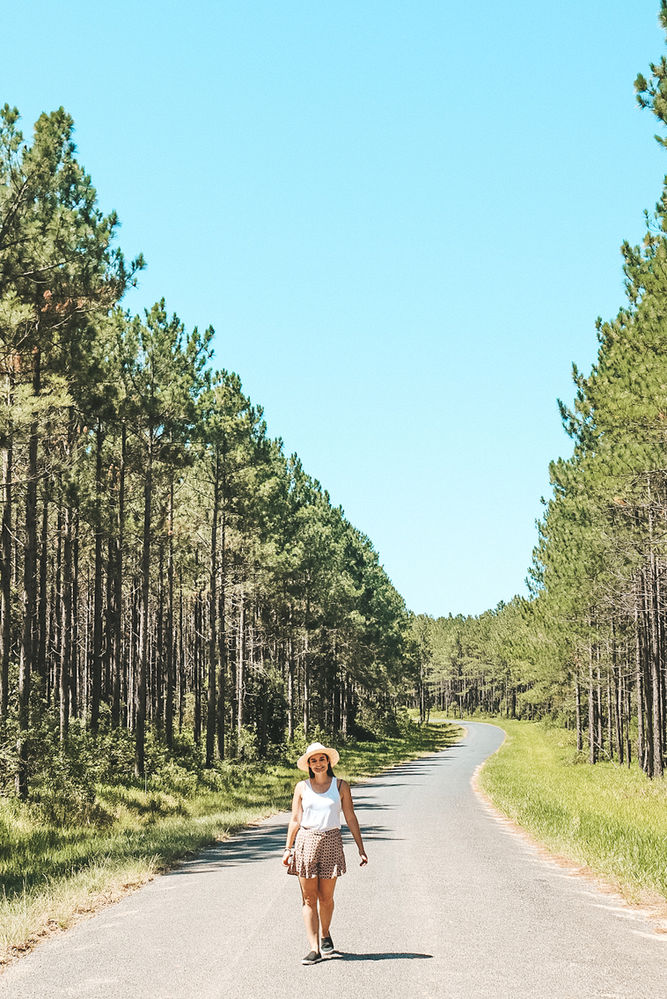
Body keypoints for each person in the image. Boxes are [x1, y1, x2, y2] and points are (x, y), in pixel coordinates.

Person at [282, 741, 368, 965]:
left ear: (328, 761)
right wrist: (287, 848)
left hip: (331, 840)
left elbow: (350, 817)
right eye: (313, 760)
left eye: (322, 759)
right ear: (308, 765)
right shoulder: (302, 787)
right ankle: (314, 948)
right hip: (306, 842)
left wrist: (361, 848)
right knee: (309, 898)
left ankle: (325, 932)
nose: (318, 764)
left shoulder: (340, 786)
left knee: (326, 897)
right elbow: (295, 820)